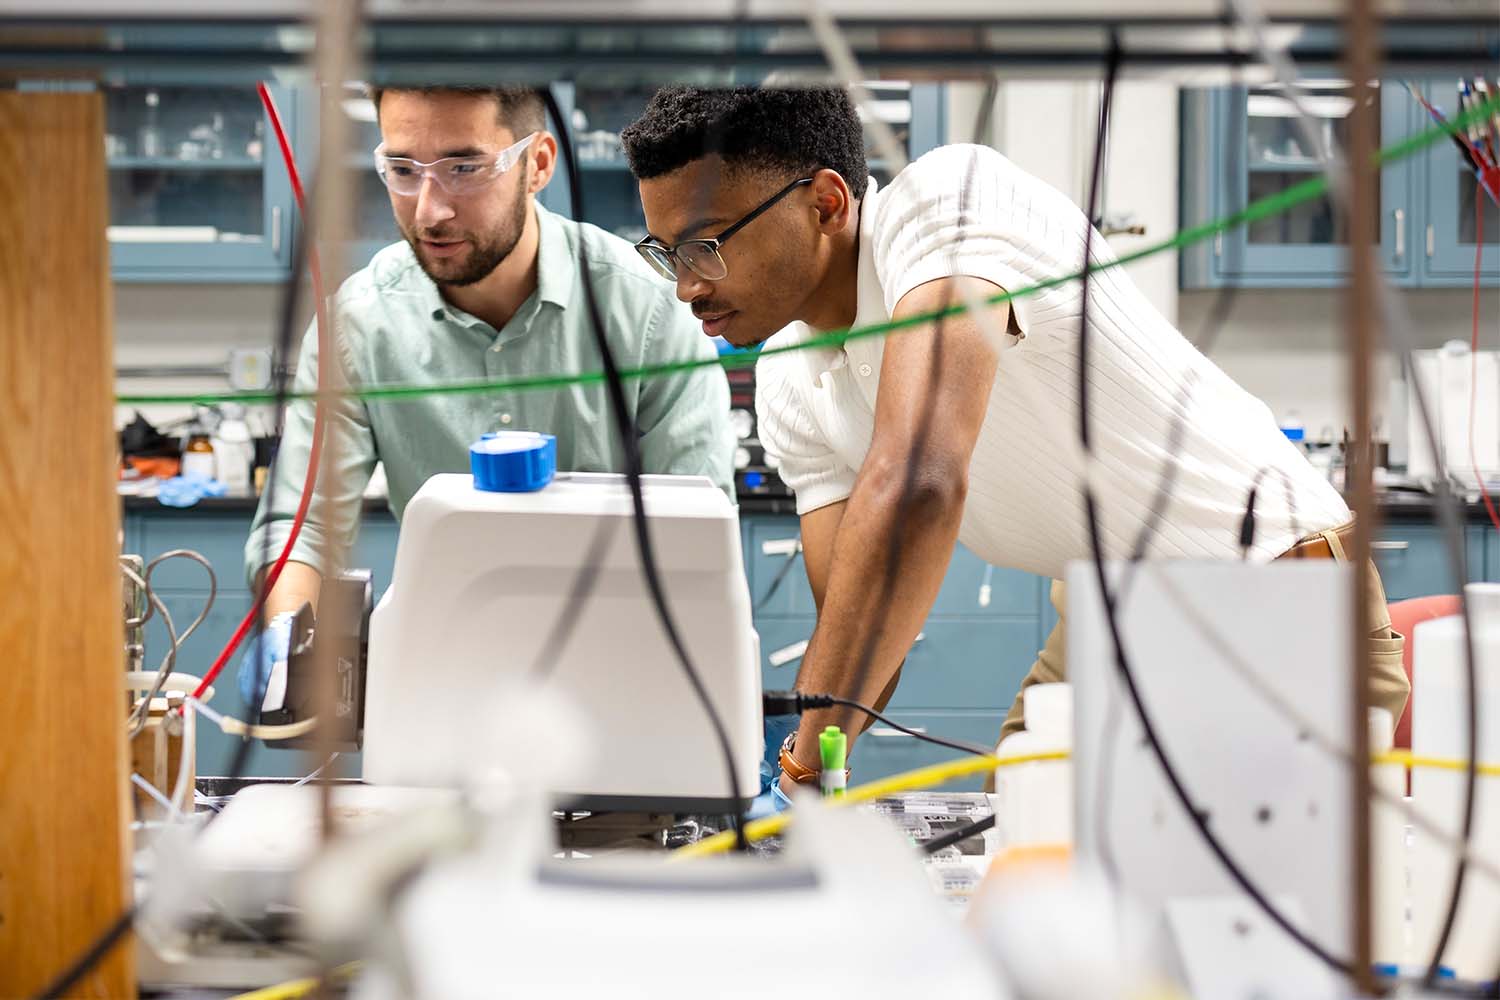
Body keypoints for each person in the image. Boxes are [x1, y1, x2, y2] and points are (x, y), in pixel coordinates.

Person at [619, 86, 1409, 801]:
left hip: (1271, 598)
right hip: (1111, 618)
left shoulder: (943, 207)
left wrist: (797, 772)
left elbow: (922, 475)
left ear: (825, 203)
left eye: (705, 245)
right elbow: (857, 631)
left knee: (1237, 928)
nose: (685, 286)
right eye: (665, 256)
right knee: (1020, 869)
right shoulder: (794, 377)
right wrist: (809, 775)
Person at [240, 85, 733, 707]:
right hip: (443, 678)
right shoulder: (357, 327)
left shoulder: (650, 311)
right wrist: (289, 633)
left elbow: (697, 531)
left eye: (464, 168)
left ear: (540, 164)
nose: (429, 211)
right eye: (401, 170)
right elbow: (301, 528)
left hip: (624, 673)